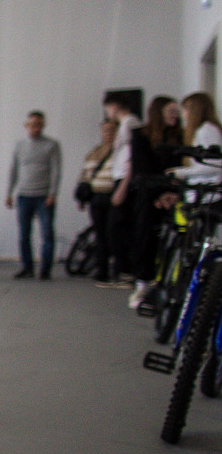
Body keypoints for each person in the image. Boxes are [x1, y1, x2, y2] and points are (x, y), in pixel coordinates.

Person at [124, 96, 181, 307]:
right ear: (158, 112)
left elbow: (180, 167)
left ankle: (168, 284)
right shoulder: (140, 135)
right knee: (145, 238)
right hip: (148, 195)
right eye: (171, 111)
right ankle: (142, 284)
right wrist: (159, 192)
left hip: (173, 195)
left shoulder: (179, 136)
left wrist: (172, 192)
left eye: (177, 111)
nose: (175, 115)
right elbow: (141, 169)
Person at [5, 111, 62, 280]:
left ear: (43, 126)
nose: (36, 128)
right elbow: (13, 170)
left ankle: (45, 269)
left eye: (39, 125)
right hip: (24, 195)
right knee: (24, 234)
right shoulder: (20, 145)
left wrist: (53, 193)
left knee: (47, 234)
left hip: (44, 196)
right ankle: (27, 267)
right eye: (33, 125)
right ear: (27, 125)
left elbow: (56, 171)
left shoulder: (51, 145)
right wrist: (9, 193)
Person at [103, 91, 142, 286]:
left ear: (114, 106)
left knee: (119, 228)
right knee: (115, 228)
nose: (107, 113)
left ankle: (127, 271)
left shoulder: (130, 123)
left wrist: (123, 187)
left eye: (107, 109)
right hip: (120, 179)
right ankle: (123, 270)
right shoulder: (126, 124)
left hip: (126, 181)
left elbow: (134, 158)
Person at [78, 119, 119, 284]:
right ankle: (102, 269)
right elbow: (85, 175)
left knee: (114, 234)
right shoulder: (94, 152)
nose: (108, 133)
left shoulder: (120, 152)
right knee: (100, 234)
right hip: (96, 197)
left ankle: (117, 269)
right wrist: (81, 197)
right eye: (105, 130)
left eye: (112, 130)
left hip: (113, 197)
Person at [173, 92, 222, 184]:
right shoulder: (201, 129)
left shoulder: (207, 129)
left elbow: (213, 165)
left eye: (185, 108)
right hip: (201, 186)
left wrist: (181, 172)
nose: (182, 113)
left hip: (207, 187)